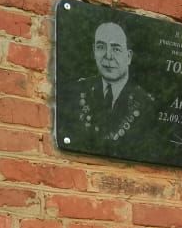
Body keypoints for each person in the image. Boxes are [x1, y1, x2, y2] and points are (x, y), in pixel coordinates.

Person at [64, 21, 155, 150]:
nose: (108, 56)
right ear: (94, 50)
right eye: (101, 47)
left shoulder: (146, 105)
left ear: (128, 57)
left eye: (116, 49)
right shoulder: (75, 92)